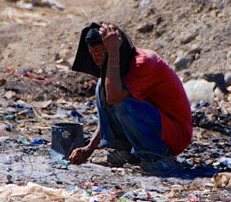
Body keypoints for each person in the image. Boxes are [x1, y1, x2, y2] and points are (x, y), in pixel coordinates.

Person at [69, 21, 192, 172]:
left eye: (101, 53)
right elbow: (111, 104)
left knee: (118, 98)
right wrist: (89, 148)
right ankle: (122, 150)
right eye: (93, 54)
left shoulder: (143, 63)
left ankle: (157, 157)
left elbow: (116, 101)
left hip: (175, 134)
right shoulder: (122, 67)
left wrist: (113, 52)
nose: (97, 60)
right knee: (103, 85)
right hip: (154, 123)